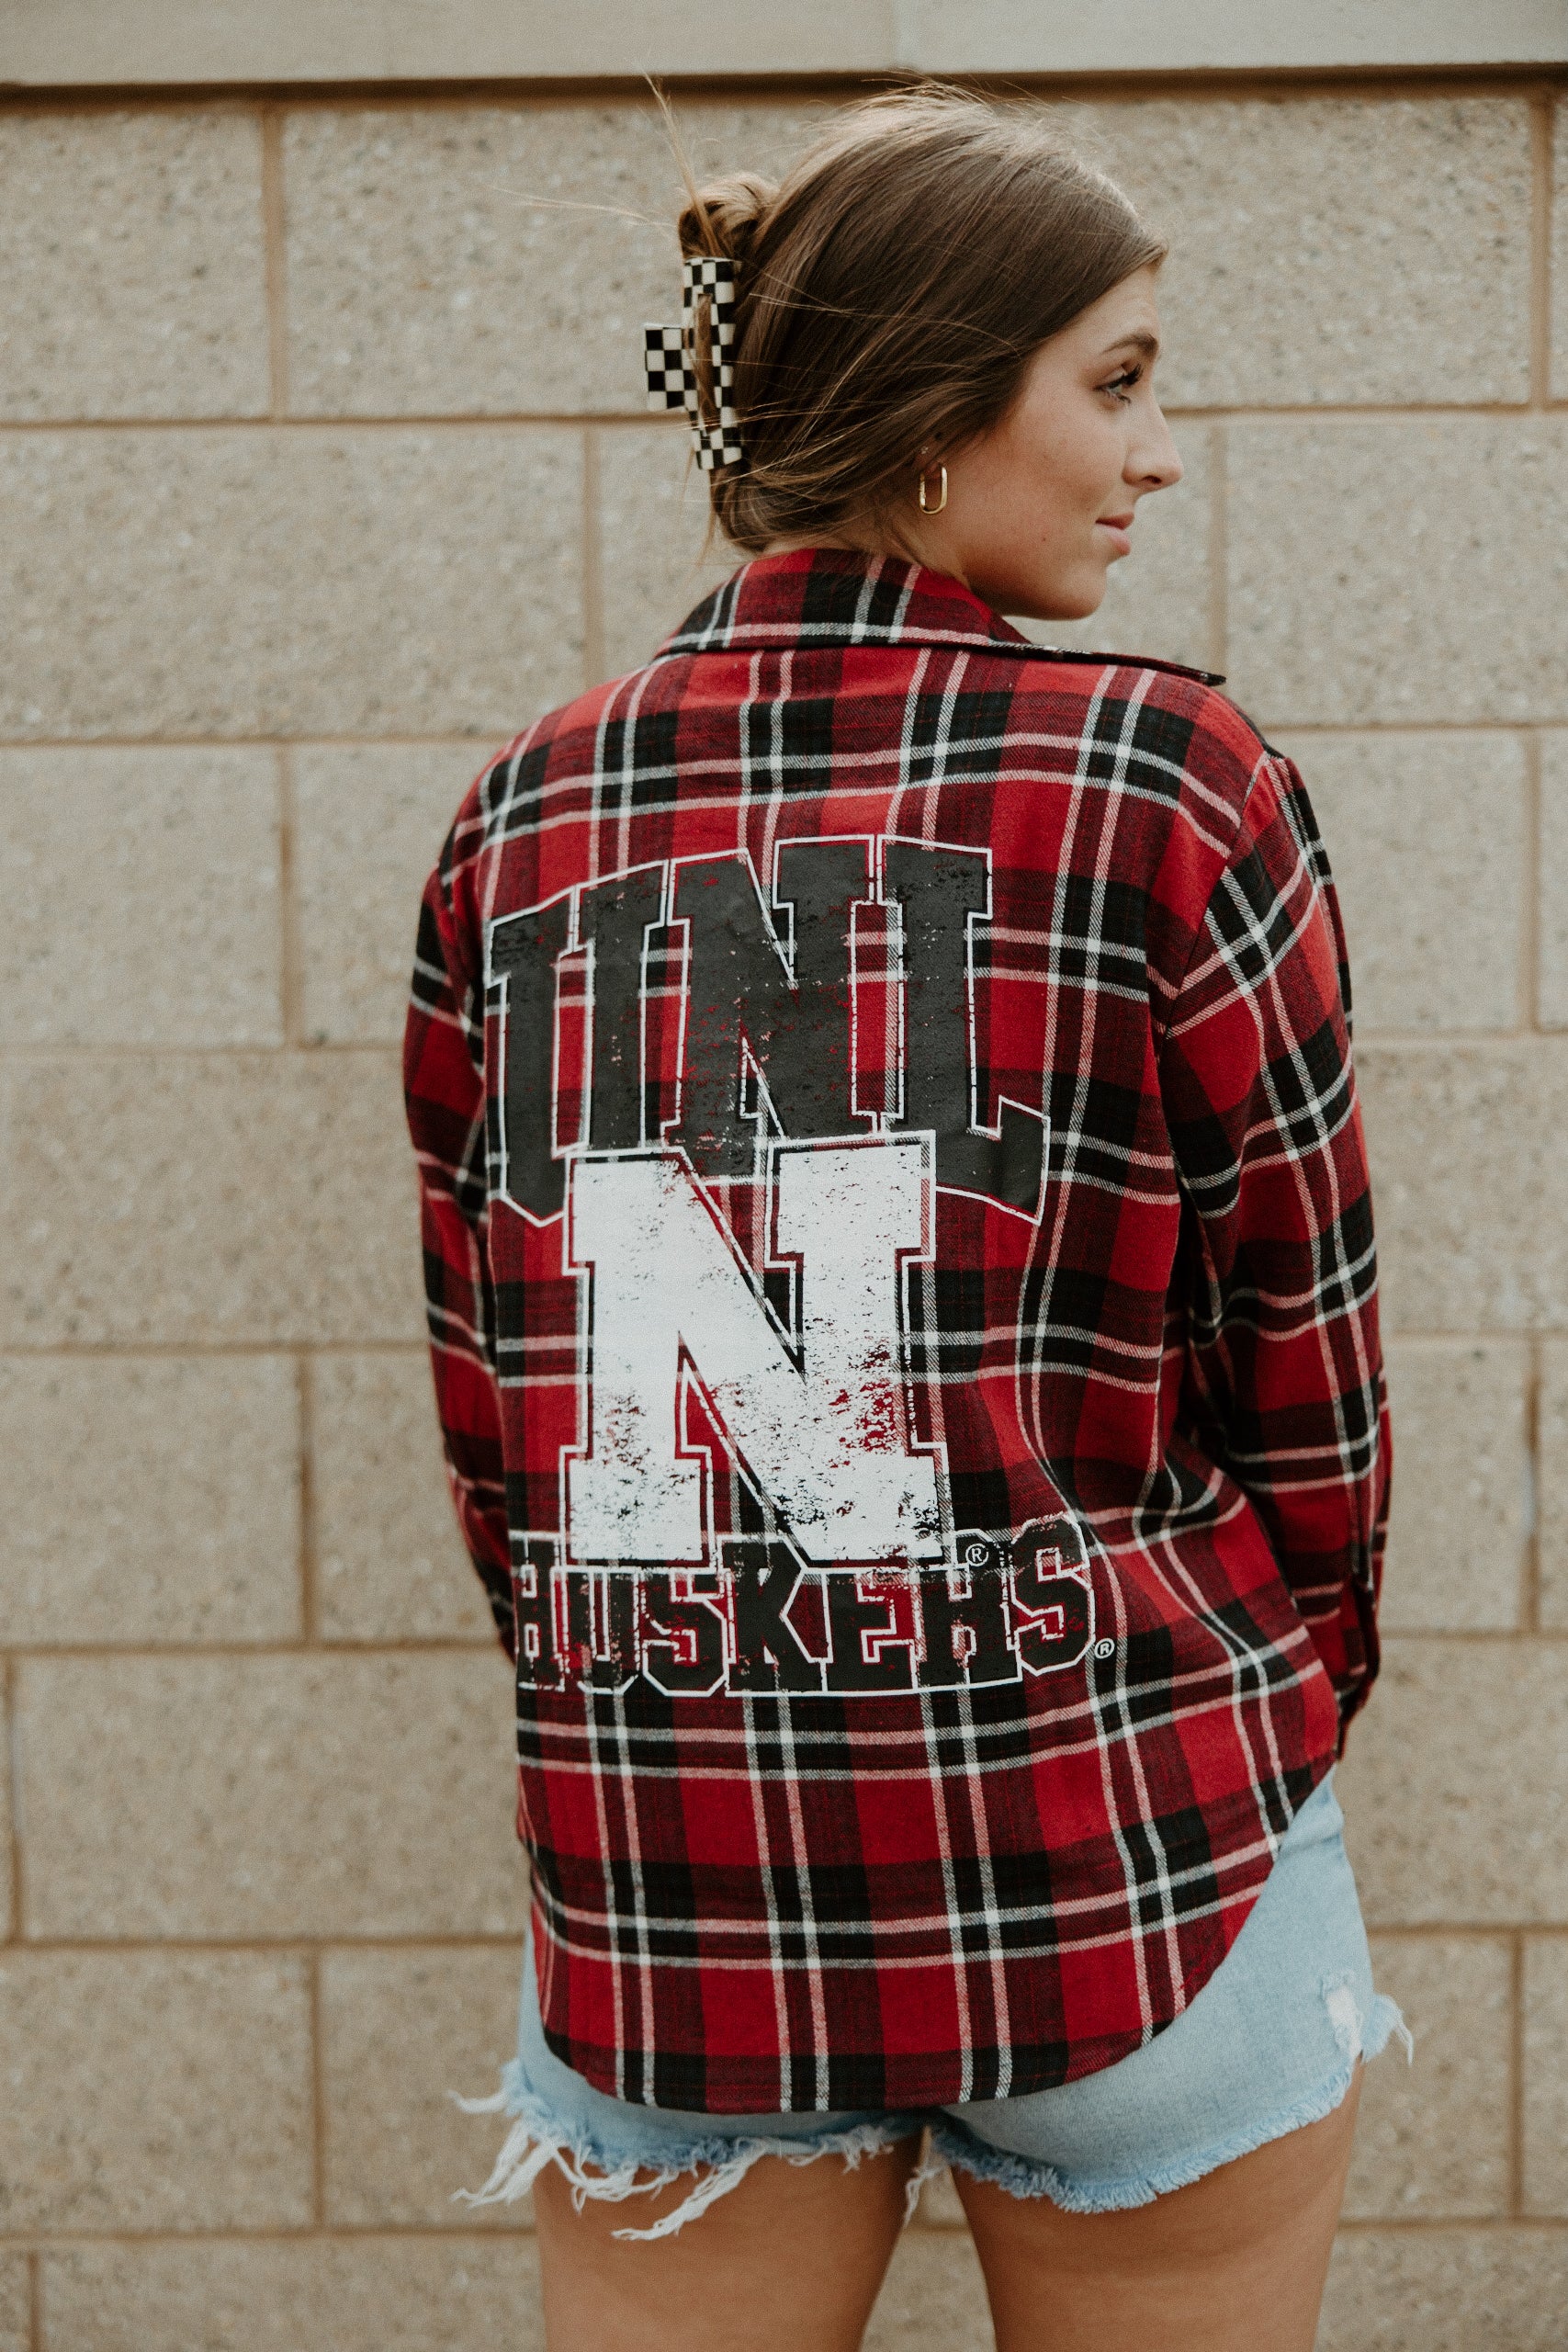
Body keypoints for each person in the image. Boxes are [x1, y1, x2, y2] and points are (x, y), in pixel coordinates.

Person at [403, 85, 1402, 2352]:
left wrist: (661, 1686)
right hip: (1122, 1822)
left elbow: (499, 1415)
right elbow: (1305, 1357)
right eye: (1114, 381)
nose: (1157, 454)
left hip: (679, 1865)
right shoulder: (1170, 780)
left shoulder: (521, 816)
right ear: (941, 412)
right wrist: (1278, 1688)